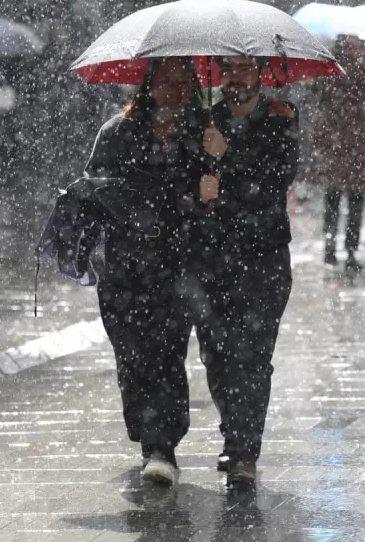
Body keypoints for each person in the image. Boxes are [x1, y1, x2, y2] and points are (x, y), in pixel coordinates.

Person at [83, 57, 208, 487]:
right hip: (123, 270)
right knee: (133, 356)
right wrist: (136, 212)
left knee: (168, 353)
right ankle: (147, 434)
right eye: (165, 81)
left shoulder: (199, 134)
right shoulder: (117, 132)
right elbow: (95, 188)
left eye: (181, 82)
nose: (172, 91)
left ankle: (162, 445)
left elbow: (212, 192)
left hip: (176, 268)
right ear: (149, 84)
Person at [185, 55, 298, 488]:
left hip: (263, 259)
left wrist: (225, 159)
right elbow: (187, 186)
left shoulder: (281, 117)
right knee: (215, 355)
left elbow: (275, 179)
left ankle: (244, 449)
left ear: (260, 73)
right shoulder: (202, 119)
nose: (235, 78)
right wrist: (200, 188)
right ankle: (235, 433)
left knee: (252, 357)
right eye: (227, 69)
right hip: (210, 260)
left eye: (244, 69)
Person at [307, 36, 365, 272]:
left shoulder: (325, 62)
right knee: (355, 197)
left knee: (331, 195)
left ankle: (329, 248)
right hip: (358, 140)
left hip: (331, 137)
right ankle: (351, 252)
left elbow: (316, 95)